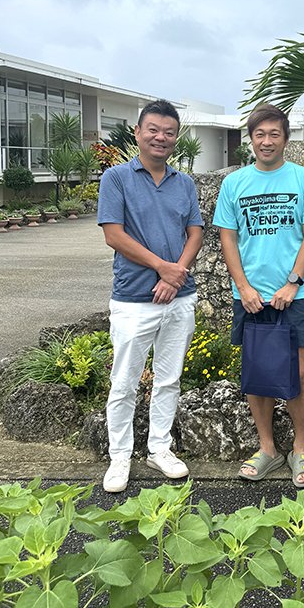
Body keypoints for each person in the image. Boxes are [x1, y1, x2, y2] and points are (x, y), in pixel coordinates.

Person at [213, 103, 304, 487]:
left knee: (299, 370)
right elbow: (227, 237)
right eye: (259, 134)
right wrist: (243, 287)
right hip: (249, 296)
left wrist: (293, 282)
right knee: (258, 373)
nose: (266, 141)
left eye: (274, 134)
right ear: (251, 139)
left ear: (286, 138)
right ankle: (267, 449)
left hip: (297, 294)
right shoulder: (234, 183)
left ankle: (299, 448)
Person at [98, 99, 203, 493]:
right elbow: (114, 234)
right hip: (132, 300)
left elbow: (195, 232)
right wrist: (163, 267)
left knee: (168, 379)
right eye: (153, 130)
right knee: (123, 382)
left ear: (176, 138)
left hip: (179, 298)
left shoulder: (184, 183)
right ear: (138, 132)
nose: (161, 137)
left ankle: (160, 448)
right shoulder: (116, 178)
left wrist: (175, 277)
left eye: (169, 132)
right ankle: (120, 455)